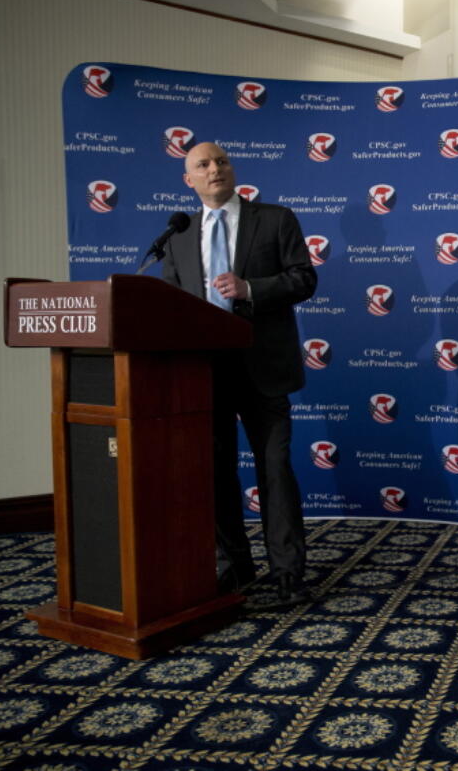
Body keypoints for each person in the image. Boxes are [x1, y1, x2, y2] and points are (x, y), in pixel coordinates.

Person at [162, 142, 317, 606]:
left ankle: (288, 572)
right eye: (203, 165)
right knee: (216, 473)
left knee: (274, 469)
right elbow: (169, 303)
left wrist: (251, 288)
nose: (215, 169)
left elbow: (304, 278)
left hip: (264, 369)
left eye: (221, 161)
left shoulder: (275, 219)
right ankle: (237, 565)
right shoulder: (178, 236)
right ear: (188, 180)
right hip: (204, 374)